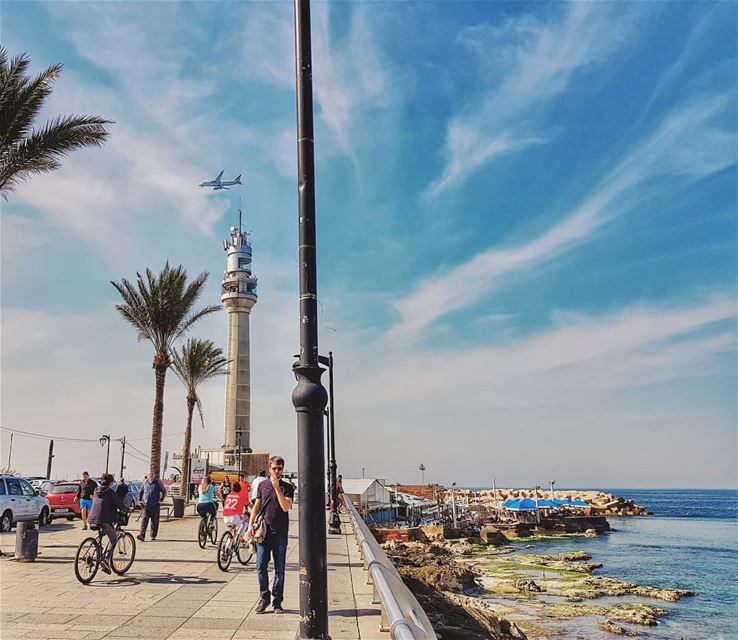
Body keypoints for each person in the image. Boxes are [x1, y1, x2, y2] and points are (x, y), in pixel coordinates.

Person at [247, 456, 294, 614]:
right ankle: (264, 597)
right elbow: (256, 506)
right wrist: (250, 526)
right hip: (264, 533)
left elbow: (286, 507)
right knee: (261, 567)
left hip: (280, 534)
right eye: (274, 468)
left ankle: (277, 601)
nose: (277, 471)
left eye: (279, 468)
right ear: (269, 469)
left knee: (280, 570)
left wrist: (277, 488)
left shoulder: (287, 487)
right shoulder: (262, 485)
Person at [89, 473, 128, 574]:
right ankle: (105, 560)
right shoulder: (110, 492)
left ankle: (98, 551)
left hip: (92, 518)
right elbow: (119, 504)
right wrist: (127, 509)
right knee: (114, 539)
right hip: (104, 520)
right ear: (111, 482)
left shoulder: (96, 490)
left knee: (101, 535)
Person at [137, 471, 166, 542]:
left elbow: (164, 491)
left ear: (154, 475)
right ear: (147, 475)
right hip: (145, 505)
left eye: (152, 474)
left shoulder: (158, 483)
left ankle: (153, 535)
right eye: (150, 474)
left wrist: (161, 499)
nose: (151, 476)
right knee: (144, 520)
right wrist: (140, 500)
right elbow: (141, 492)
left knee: (154, 521)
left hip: (155, 505)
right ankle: (142, 535)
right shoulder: (144, 483)